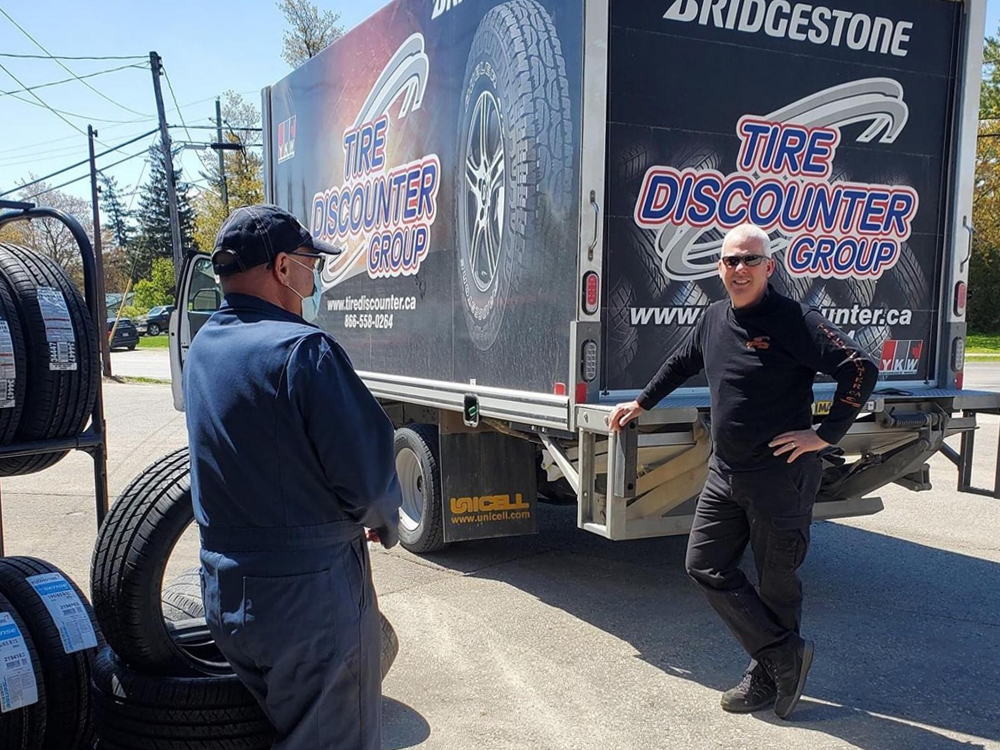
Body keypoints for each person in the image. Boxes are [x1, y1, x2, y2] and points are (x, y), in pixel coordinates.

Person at [609, 224, 878, 720]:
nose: (739, 269)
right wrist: (642, 402)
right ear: (719, 267)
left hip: (780, 477)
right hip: (725, 473)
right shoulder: (713, 318)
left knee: (777, 582)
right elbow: (681, 361)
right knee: (704, 565)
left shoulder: (795, 319)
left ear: (769, 267)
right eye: (731, 260)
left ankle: (766, 675)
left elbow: (860, 367)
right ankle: (781, 657)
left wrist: (825, 435)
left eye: (751, 260)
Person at [183, 204, 402, 750]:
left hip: (225, 590)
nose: (315, 276)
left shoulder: (205, 347)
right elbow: (369, 476)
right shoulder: (305, 351)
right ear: (282, 268)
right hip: (308, 601)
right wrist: (382, 519)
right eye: (310, 263)